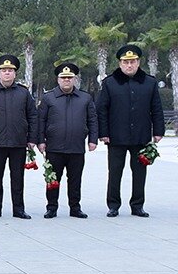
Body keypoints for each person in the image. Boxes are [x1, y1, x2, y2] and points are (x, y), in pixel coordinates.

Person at [96, 44, 165, 217]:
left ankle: (137, 205)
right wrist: (103, 133)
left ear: (138, 62)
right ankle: (113, 205)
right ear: (120, 63)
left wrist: (158, 131)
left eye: (132, 61)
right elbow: (102, 110)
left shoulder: (149, 82)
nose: (129, 65)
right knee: (115, 172)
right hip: (116, 136)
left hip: (141, 136)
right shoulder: (110, 83)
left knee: (140, 172)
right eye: (126, 62)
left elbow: (156, 109)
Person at [0, 55, 37, 220]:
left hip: (18, 142)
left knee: (18, 178)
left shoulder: (24, 93)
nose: (7, 73)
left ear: (15, 73)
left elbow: (33, 116)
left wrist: (32, 139)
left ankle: (19, 209)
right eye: (4, 70)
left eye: (10, 70)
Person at [37, 62, 98, 219]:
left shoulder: (85, 98)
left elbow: (92, 120)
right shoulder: (48, 98)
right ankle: (51, 207)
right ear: (58, 79)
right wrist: (40, 141)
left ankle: (75, 207)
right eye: (63, 77)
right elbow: (41, 120)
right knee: (52, 179)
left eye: (69, 78)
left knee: (75, 180)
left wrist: (93, 140)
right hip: (54, 147)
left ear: (75, 79)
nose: (66, 80)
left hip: (76, 147)